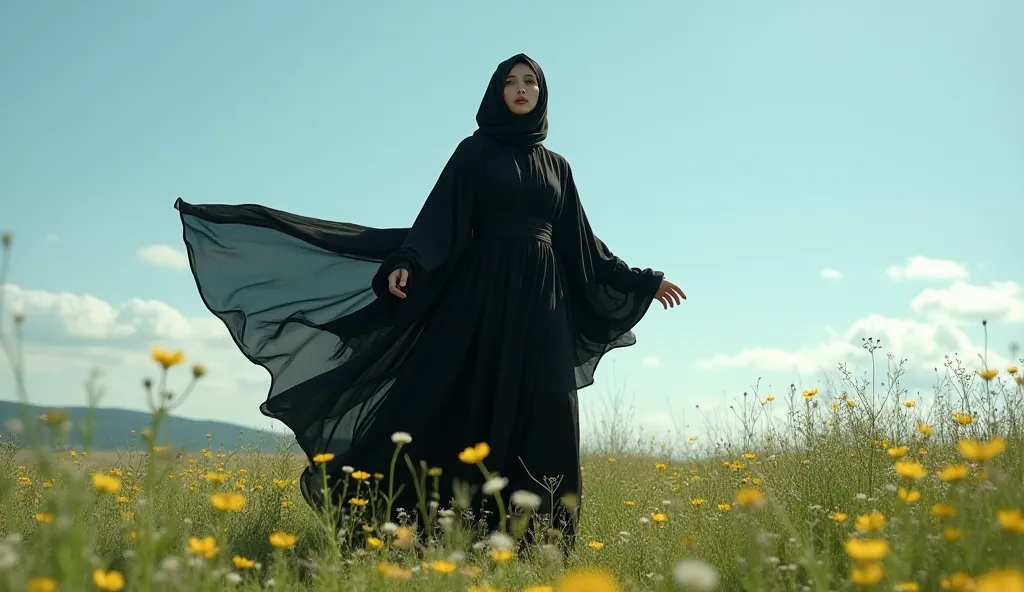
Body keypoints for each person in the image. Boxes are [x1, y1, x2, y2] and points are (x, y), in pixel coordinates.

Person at [175, 53, 685, 552]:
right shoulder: (475, 152)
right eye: (511, 81)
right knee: (461, 404)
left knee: (550, 405)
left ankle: (542, 540)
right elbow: (438, 221)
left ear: (542, 93)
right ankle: (437, 531)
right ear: (497, 92)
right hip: (482, 301)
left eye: (530, 81)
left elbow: (583, 246)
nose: (522, 88)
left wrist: (643, 281)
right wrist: (408, 263)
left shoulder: (559, 167)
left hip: (542, 308)